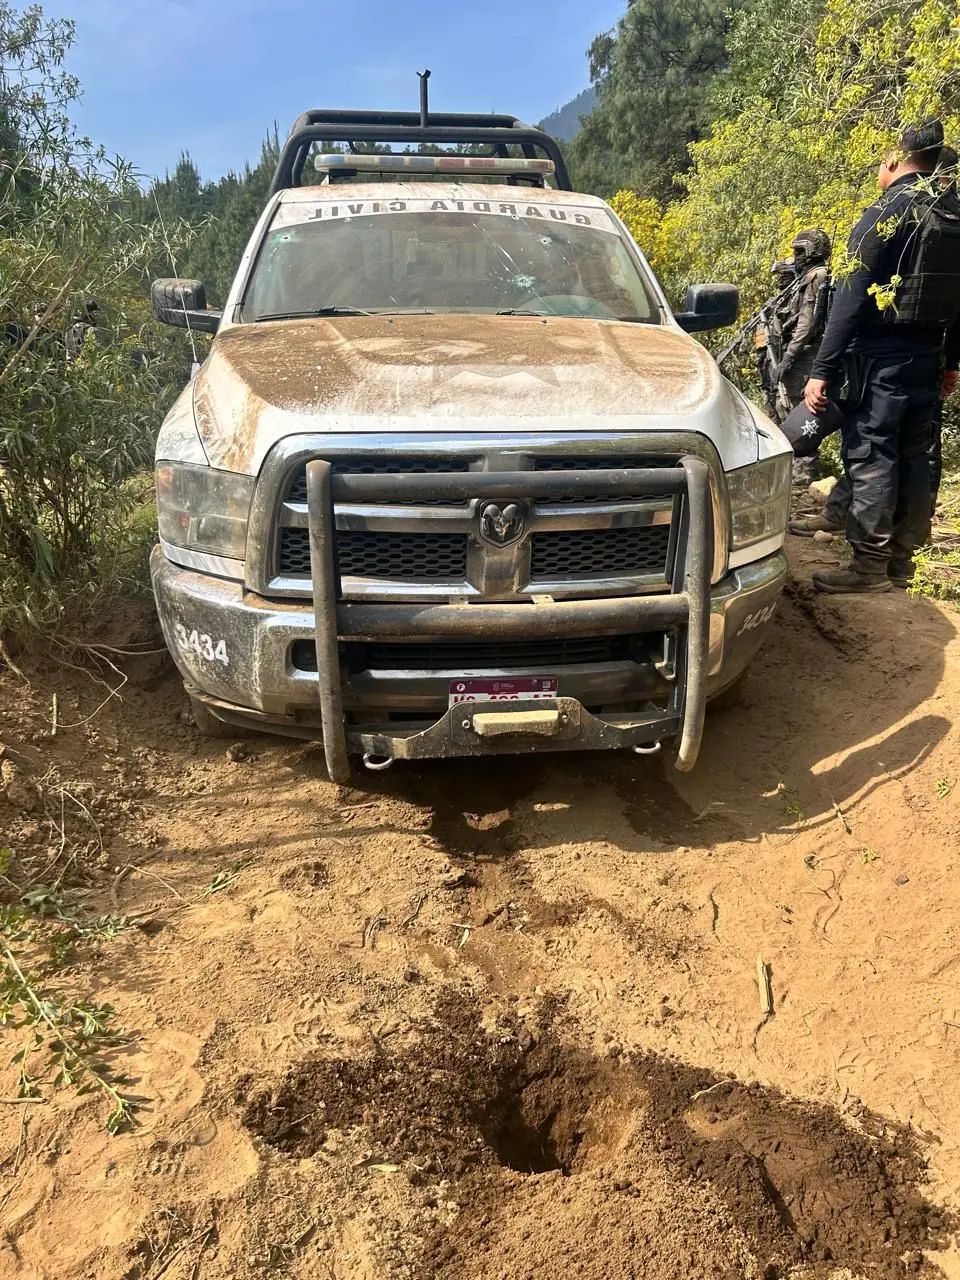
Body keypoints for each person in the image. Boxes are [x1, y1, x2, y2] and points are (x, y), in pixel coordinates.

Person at [800, 120, 960, 593]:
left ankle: (869, 567)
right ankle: (901, 563)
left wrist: (821, 370)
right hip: (929, 358)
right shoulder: (953, 214)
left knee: (872, 457)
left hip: (880, 363)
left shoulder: (885, 214)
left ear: (894, 158)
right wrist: (951, 361)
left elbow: (849, 302)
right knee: (915, 458)